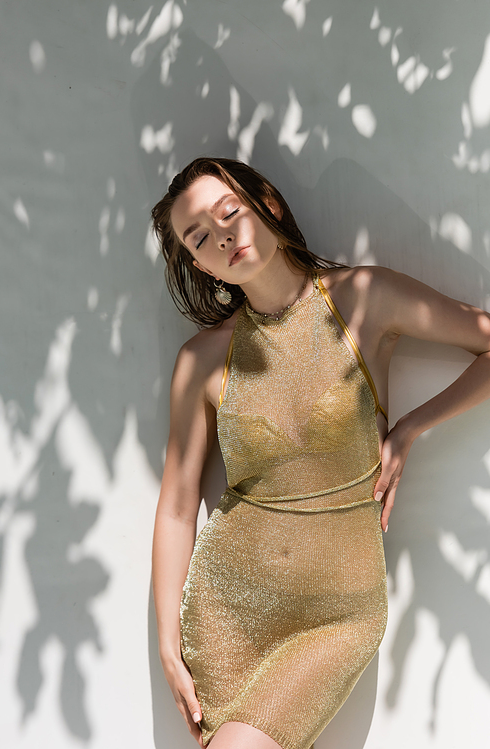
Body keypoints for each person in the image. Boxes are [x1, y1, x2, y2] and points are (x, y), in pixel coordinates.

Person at [150, 157, 490, 749]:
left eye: (228, 211)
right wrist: (165, 641)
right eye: (199, 238)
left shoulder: (364, 297)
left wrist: (410, 426)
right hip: (228, 615)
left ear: (268, 204)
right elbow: (178, 507)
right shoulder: (200, 361)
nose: (222, 235)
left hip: (340, 613)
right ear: (199, 265)